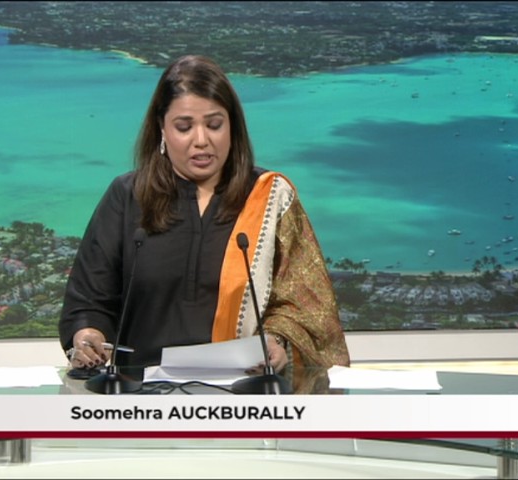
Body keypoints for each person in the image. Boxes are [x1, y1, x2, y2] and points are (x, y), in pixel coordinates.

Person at [59, 54, 349, 377]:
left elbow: (304, 310)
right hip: (141, 396)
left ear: (232, 127)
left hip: (244, 396)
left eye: (214, 125)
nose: (201, 141)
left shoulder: (269, 197)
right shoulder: (127, 196)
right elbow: (88, 303)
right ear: (162, 128)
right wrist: (88, 335)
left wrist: (277, 340)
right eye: (184, 127)